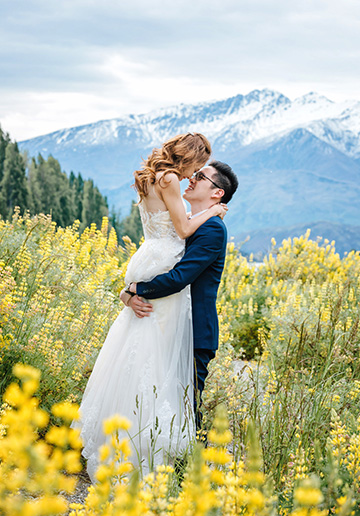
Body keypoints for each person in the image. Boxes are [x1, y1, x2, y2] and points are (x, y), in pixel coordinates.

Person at [72, 133, 227, 482]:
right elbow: (183, 231)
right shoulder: (172, 181)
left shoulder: (155, 178)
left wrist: (130, 290)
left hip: (150, 262)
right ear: (188, 158)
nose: (194, 176)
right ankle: (151, 451)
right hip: (161, 270)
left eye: (201, 175)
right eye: (197, 169)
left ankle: (136, 444)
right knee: (153, 361)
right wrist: (131, 291)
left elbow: (179, 260)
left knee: (140, 356)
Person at [123, 161, 238, 428]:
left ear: (217, 192)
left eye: (200, 177)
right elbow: (156, 265)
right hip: (169, 326)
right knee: (160, 403)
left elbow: (179, 278)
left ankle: (190, 467)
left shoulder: (212, 230)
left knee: (185, 411)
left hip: (195, 333)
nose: (191, 179)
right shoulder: (183, 226)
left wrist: (137, 289)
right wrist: (126, 294)